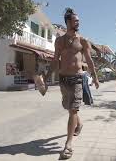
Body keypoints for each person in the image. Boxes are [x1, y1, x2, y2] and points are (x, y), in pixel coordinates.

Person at [44, 8, 99, 160]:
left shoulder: (83, 41)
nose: (78, 22)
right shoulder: (59, 41)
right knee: (70, 108)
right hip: (63, 79)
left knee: (73, 110)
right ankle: (79, 125)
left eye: (78, 21)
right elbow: (55, 60)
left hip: (77, 79)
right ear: (68, 22)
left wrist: (95, 77)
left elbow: (89, 60)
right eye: (75, 20)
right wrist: (47, 78)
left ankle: (68, 144)